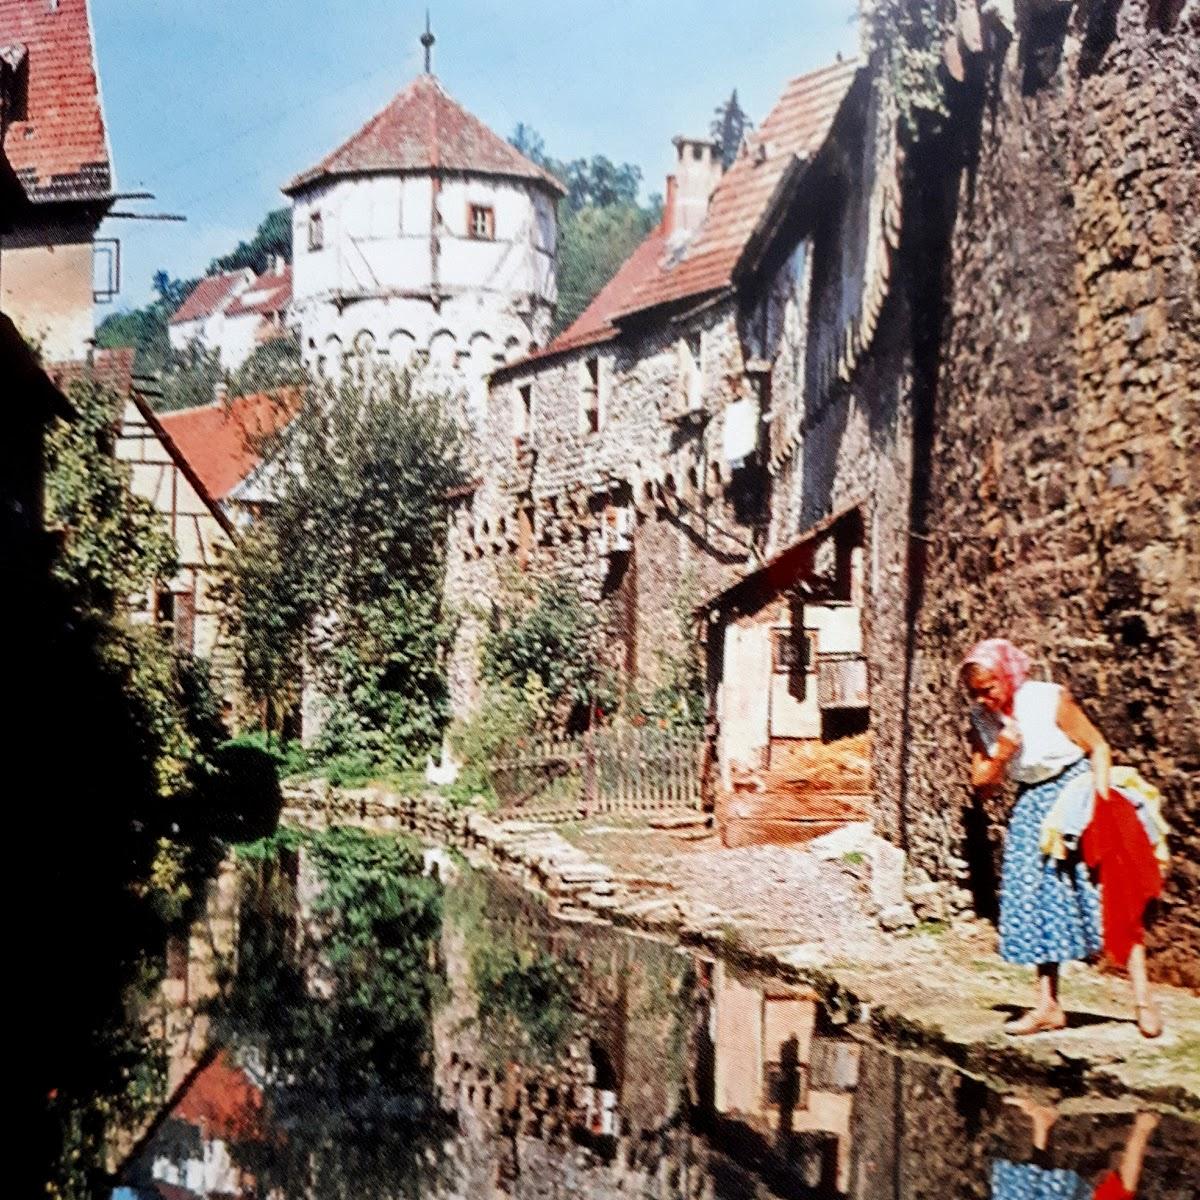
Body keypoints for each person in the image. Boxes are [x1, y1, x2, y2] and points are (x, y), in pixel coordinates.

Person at [959, 638, 1163, 1038]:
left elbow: (1098, 746)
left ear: (1008, 675)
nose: (984, 699)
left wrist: (1102, 801)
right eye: (976, 693)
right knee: (1034, 897)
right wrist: (1002, 752)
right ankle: (1048, 1006)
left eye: (990, 688)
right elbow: (981, 785)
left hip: (1076, 792)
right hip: (1032, 802)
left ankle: (1143, 1000)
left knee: (1110, 889)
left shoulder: (1048, 700)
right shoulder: (983, 720)